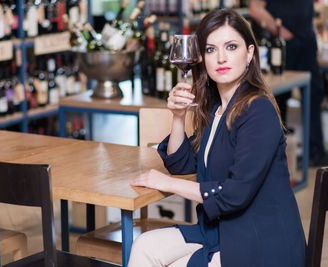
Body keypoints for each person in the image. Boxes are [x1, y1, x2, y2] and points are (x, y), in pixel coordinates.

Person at [128, 9, 305, 267]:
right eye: (211, 49)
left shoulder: (258, 109)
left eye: (231, 46)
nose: (221, 57)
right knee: (144, 246)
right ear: (202, 58)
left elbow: (234, 194)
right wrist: (178, 117)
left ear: (250, 53)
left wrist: (167, 184)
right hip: (219, 230)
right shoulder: (217, 110)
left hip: (261, 241)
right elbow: (182, 165)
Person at [248, 0, 328, 166]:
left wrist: (311, 28)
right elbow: (255, 9)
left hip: (307, 42)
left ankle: (315, 152)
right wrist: (282, 33)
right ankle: (279, 157)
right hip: (286, 43)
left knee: (314, 95)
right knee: (279, 99)